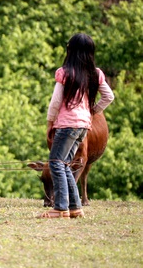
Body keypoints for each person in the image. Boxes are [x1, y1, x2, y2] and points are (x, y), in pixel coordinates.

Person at [38, 33, 114, 219]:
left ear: (69, 50)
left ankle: (61, 208)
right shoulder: (95, 74)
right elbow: (109, 97)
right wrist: (93, 111)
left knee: (56, 163)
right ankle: (75, 207)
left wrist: (49, 123)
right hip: (83, 126)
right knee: (65, 165)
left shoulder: (64, 73)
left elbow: (55, 102)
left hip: (66, 125)